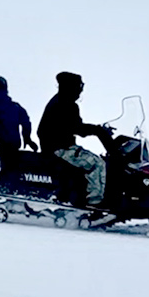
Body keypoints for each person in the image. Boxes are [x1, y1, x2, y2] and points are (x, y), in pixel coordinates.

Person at [36, 72, 111, 208]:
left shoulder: (59, 101)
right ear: (72, 87)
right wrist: (97, 130)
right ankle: (94, 202)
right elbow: (77, 128)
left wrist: (97, 130)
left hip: (57, 147)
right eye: (79, 86)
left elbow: (72, 126)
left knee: (90, 160)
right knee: (97, 163)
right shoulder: (66, 104)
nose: (80, 91)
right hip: (60, 149)